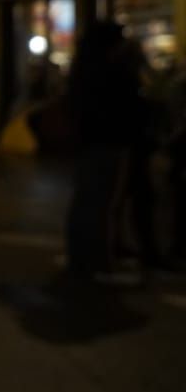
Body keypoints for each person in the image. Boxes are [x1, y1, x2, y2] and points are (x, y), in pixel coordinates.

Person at [63, 22, 143, 282]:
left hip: (89, 143)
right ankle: (99, 263)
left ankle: (81, 258)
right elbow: (128, 105)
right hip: (108, 143)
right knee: (102, 204)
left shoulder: (83, 70)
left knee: (86, 202)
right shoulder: (111, 71)